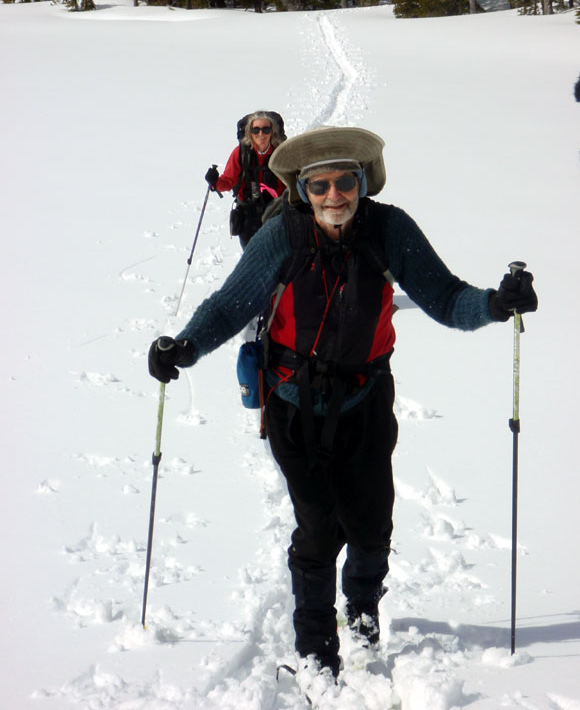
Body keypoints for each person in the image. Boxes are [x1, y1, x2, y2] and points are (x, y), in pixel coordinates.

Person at [148, 126, 538, 681]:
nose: (335, 195)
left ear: (363, 183)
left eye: (346, 181)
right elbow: (230, 306)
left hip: (366, 401)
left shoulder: (389, 229)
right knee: (317, 527)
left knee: (372, 523)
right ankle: (315, 649)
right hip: (291, 403)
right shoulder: (282, 236)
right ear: (303, 190)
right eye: (320, 184)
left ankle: (360, 611)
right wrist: (183, 347)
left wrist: (497, 304)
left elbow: (447, 299)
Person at [205, 111, 286, 248]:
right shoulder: (240, 153)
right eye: (256, 130)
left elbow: (289, 183)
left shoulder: (281, 152)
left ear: (272, 132)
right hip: (248, 214)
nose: (261, 134)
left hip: (276, 211)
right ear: (250, 132)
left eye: (266, 129)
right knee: (252, 257)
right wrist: (215, 182)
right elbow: (228, 181)